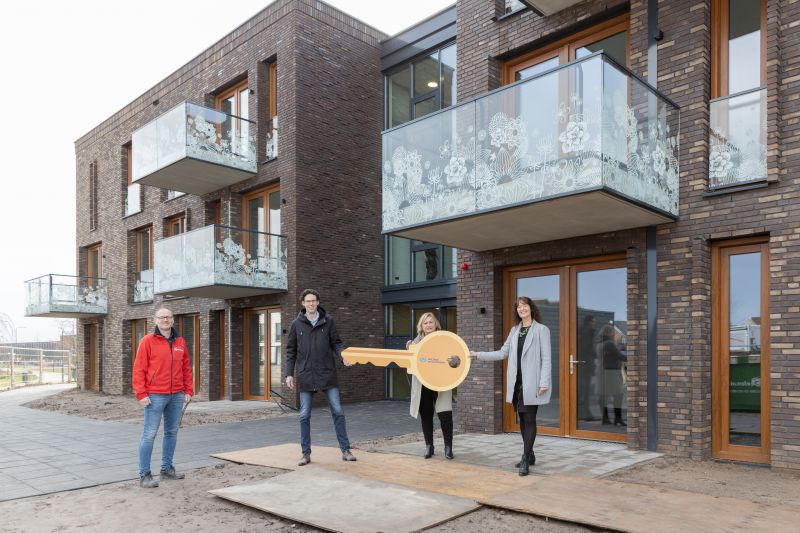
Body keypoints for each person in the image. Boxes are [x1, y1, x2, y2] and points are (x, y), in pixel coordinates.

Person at [470, 297, 551, 476]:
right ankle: (530, 454)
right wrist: (478, 355)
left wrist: (544, 382)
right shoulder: (515, 331)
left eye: (524, 305)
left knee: (529, 419)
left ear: (531, 308)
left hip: (533, 383)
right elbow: (502, 352)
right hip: (517, 383)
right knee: (522, 419)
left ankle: (524, 459)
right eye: (519, 307)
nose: (521, 309)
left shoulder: (541, 330)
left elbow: (546, 358)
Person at [285, 289, 357, 466]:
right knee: (304, 415)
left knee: (338, 411)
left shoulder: (328, 321)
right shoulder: (297, 324)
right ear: (303, 303)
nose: (311, 304)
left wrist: (343, 356)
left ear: (318, 302)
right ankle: (305, 453)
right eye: (308, 301)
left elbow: (337, 344)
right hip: (306, 376)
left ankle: (345, 450)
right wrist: (289, 374)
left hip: (327, 374)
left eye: (314, 301)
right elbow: (290, 351)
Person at [132, 308, 193, 488]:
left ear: (173, 320)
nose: (165, 320)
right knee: (149, 434)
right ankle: (144, 475)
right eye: (162, 317)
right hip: (155, 395)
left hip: (176, 395)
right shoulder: (147, 341)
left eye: (168, 317)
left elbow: (186, 368)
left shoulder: (180, 342)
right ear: (156, 320)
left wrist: (188, 390)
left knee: (171, 432)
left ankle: (166, 469)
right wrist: (141, 394)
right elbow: (139, 369)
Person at [407, 312, 455, 460]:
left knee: (445, 415)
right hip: (423, 384)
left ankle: (448, 447)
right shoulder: (415, 343)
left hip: (441, 383)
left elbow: (456, 358)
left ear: (436, 324)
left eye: (431, 322)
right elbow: (411, 364)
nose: (428, 325)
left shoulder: (445, 339)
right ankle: (429, 446)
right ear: (421, 326)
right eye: (425, 323)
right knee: (426, 416)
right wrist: (409, 350)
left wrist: (452, 359)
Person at [597, 324, 628, 426]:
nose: (615, 334)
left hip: (602, 372)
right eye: (613, 333)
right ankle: (617, 419)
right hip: (611, 372)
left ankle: (605, 418)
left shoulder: (599, 344)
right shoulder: (610, 344)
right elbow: (620, 357)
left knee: (604, 396)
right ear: (610, 333)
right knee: (618, 395)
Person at [576, 315, 597, 421]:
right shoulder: (587, 332)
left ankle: (584, 413)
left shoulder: (583, 332)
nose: (594, 324)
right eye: (593, 322)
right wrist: (594, 354)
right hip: (584, 366)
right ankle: (584, 414)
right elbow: (586, 349)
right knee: (584, 391)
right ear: (588, 322)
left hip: (582, 365)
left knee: (582, 391)